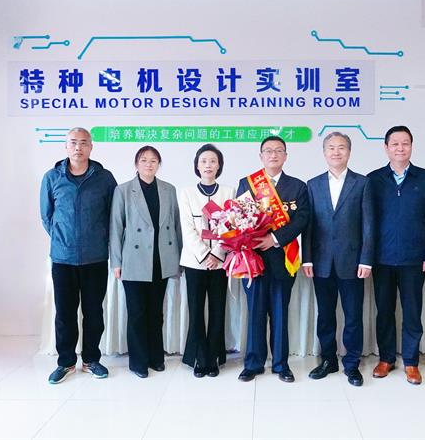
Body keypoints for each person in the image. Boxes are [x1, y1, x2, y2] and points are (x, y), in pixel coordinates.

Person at [40, 127, 117, 384]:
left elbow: (113, 215)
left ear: (91, 147)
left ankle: (91, 359)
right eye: (73, 142)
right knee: (64, 313)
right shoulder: (52, 177)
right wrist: (63, 239)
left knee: (94, 312)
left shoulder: (104, 178)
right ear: (66, 146)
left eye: (84, 143)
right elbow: (46, 216)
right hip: (63, 258)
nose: (78, 147)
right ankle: (66, 362)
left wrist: (99, 239)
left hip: (95, 257)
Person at [367, 126, 425, 385]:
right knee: (384, 311)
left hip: (414, 258)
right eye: (395, 143)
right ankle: (386, 358)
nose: (400, 148)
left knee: (412, 311)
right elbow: (368, 222)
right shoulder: (374, 180)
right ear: (386, 147)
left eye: (405, 143)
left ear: (411, 146)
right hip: (382, 258)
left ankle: (411, 361)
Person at [301, 132, 374, 387]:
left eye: (341, 147)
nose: (336, 152)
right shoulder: (313, 184)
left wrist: (366, 259)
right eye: (331, 148)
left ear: (349, 152)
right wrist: (307, 259)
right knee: (325, 315)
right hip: (321, 262)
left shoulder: (362, 183)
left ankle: (352, 364)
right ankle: (328, 360)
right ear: (324, 153)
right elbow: (308, 225)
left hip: (352, 262)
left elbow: (368, 224)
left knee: (353, 316)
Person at [236, 136, 310, 383]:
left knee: (279, 313)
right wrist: (257, 240)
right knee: (255, 313)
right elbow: (237, 218)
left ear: (286, 156)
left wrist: (275, 239)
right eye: (268, 151)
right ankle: (253, 363)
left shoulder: (298, 187)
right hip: (253, 260)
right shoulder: (247, 183)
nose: (273, 154)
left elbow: (302, 219)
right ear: (261, 156)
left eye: (279, 151)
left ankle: (280, 364)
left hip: (283, 259)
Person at [109, 146, 182, 378]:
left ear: (158, 164)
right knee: (137, 313)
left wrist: (179, 258)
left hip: (162, 259)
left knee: (156, 312)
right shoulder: (123, 190)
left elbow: (176, 225)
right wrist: (116, 262)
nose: (148, 164)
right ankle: (138, 362)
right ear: (136, 164)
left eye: (153, 160)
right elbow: (115, 227)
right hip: (134, 260)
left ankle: (156, 357)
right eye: (144, 160)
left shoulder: (169, 189)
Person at [179, 144, 235, 378]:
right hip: (195, 262)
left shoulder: (229, 192)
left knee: (218, 310)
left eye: (213, 161)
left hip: (220, 263)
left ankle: (213, 358)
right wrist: (204, 255)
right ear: (197, 165)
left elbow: (232, 227)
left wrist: (217, 254)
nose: (208, 165)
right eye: (203, 161)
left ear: (219, 165)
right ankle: (199, 359)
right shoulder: (186, 193)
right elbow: (187, 229)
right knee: (196, 311)